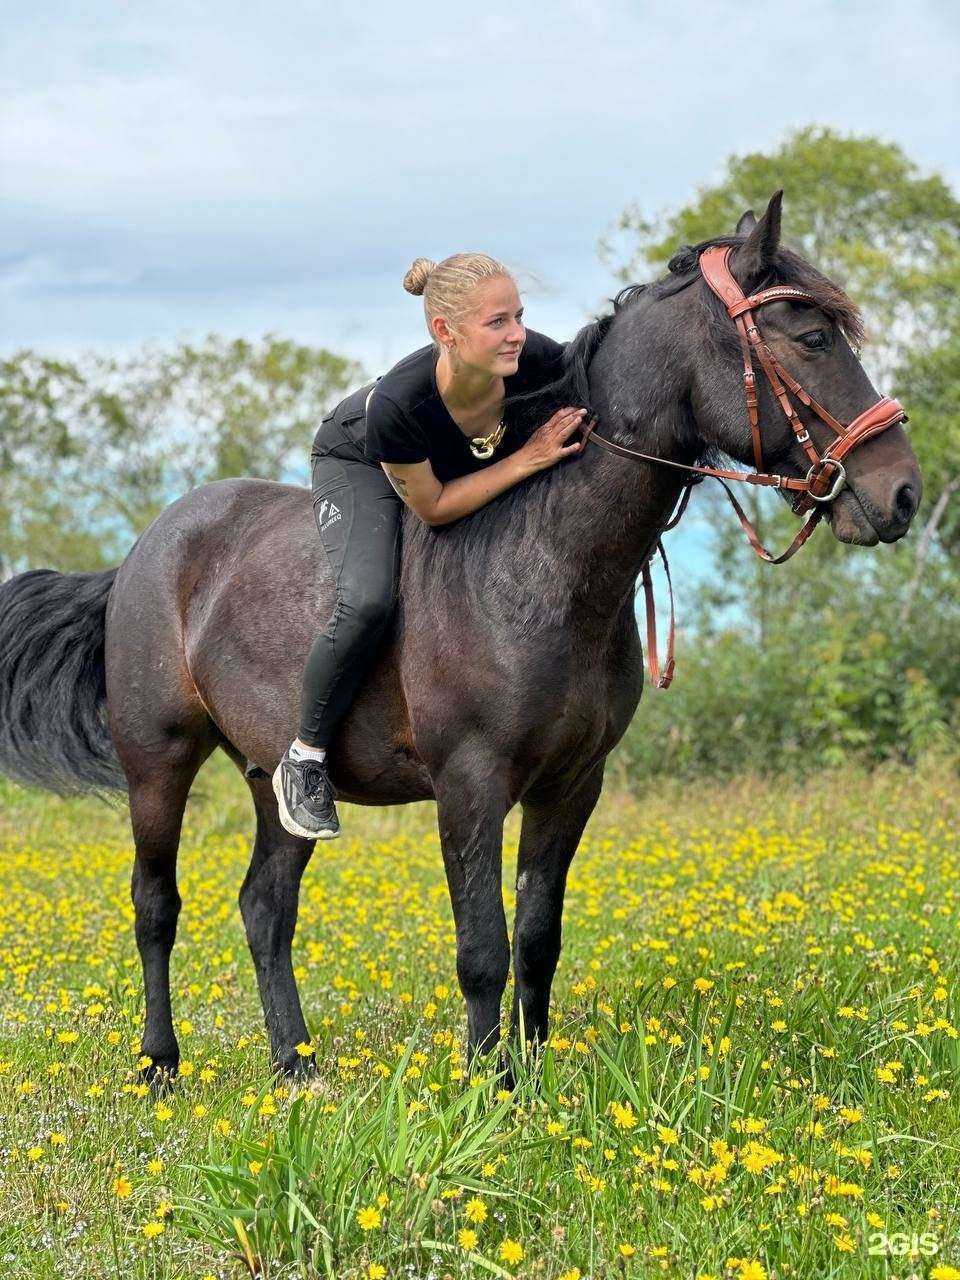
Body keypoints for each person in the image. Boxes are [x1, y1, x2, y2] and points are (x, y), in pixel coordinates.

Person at [272, 251, 591, 839]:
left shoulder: (540, 360)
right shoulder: (397, 405)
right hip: (361, 462)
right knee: (367, 598)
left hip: (455, 466)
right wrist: (527, 459)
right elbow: (435, 507)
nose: (518, 334)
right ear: (445, 331)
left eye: (520, 315)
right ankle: (305, 759)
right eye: (498, 322)